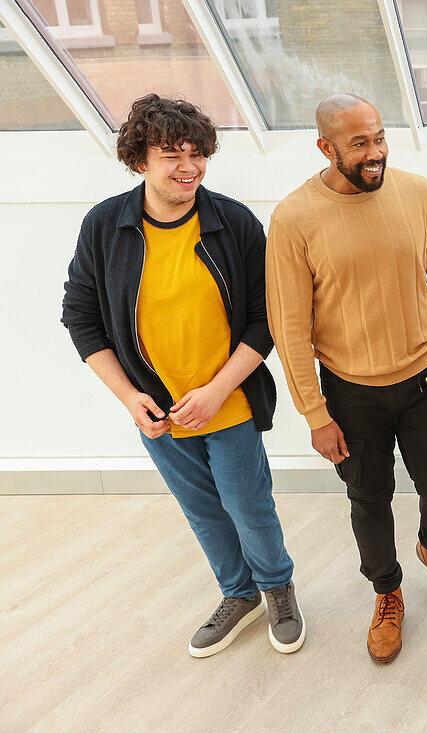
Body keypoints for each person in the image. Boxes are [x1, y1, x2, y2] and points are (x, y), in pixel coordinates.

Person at [60, 93, 303, 658]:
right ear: (139, 159)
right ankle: (237, 594)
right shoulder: (104, 226)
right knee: (201, 510)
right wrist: (129, 399)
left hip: (229, 401)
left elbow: (268, 318)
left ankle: (277, 588)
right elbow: (81, 317)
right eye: (171, 154)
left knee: (249, 505)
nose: (187, 166)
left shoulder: (233, 222)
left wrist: (220, 390)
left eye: (196, 153)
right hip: (159, 413)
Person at [266, 94, 427, 664]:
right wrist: (315, 414)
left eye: (379, 138)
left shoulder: (418, 193)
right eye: (359, 144)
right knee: (369, 497)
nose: (375, 153)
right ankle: (387, 592)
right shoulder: (293, 218)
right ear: (325, 147)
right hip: (350, 391)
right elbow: (290, 328)